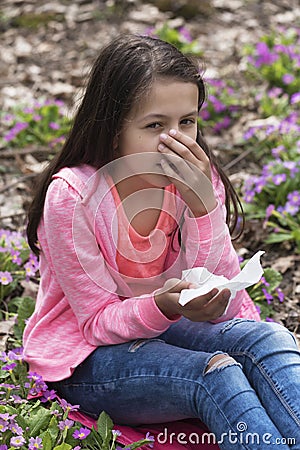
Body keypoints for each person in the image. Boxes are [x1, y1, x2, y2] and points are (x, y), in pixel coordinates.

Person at [23, 34, 300, 450]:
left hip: (170, 328)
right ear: (113, 130)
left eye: (187, 122)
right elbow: (98, 323)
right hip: (88, 356)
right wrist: (162, 305)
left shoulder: (193, 177)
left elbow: (221, 290)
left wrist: (204, 208)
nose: (177, 141)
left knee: (272, 340)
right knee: (218, 373)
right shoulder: (73, 196)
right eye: (155, 125)